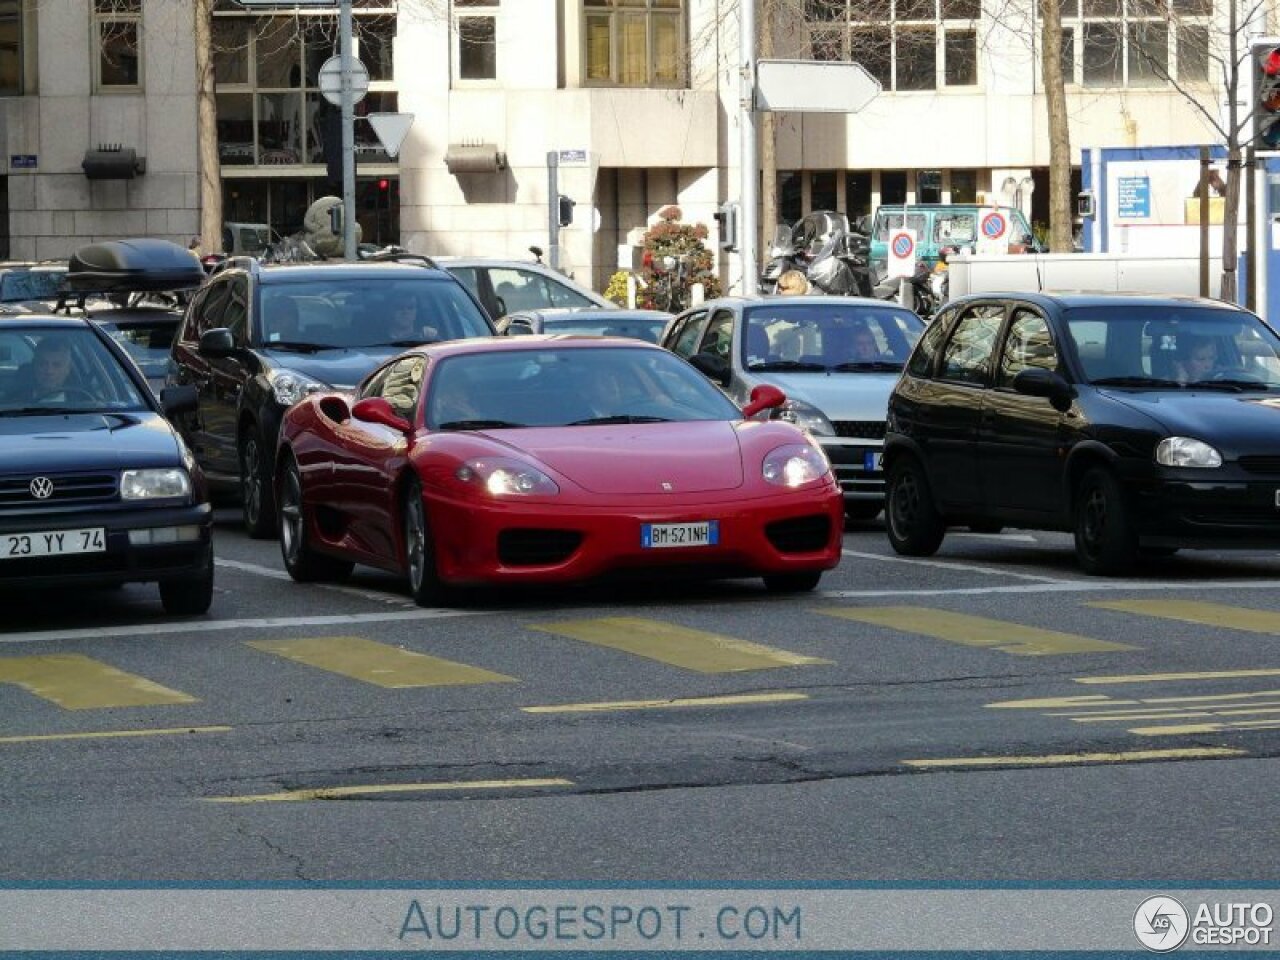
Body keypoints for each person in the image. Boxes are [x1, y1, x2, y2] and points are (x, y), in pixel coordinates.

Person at [11, 336, 76, 401]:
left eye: (57, 365)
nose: (49, 371)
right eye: (43, 364)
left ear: (68, 369)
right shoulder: (14, 402)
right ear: (34, 366)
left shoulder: (80, 401)